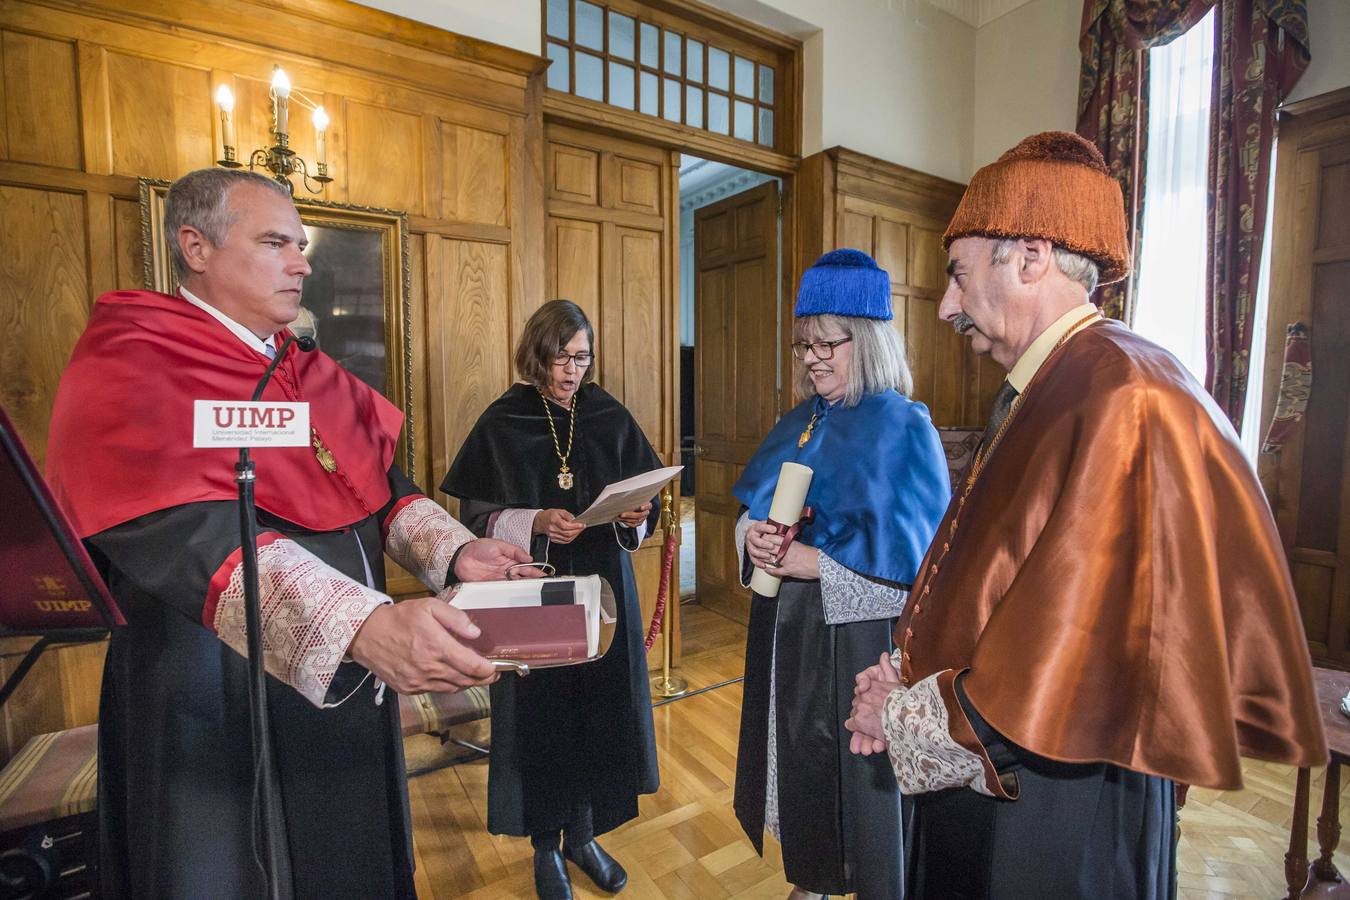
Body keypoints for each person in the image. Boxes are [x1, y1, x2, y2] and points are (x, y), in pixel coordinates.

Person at [843, 132, 1327, 899]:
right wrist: (910, 674)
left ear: (1030, 256)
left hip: (1060, 800)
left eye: (960, 276)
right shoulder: (1059, 382)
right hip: (1011, 762)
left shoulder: (1123, 396)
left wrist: (909, 713)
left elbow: (1067, 658)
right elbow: (1006, 584)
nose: (946, 307)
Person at [44, 168, 536, 898]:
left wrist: (455, 550)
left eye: (300, 245)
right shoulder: (131, 358)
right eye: (276, 242)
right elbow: (184, 533)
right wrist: (363, 625)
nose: (303, 262)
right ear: (196, 247)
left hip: (344, 687)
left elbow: (375, 488)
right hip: (211, 694)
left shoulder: (307, 371)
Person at [731, 249, 951, 900]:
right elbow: (748, 510)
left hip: (864, 647)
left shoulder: (904, 426)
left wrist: (816, 565)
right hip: (792, 640)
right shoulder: (800, 423)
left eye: (830, 342)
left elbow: (923, 573)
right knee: (804, 766)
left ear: (872, 339)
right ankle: (816, 876)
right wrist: (756, 539)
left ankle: (872, 880)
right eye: (804, 344)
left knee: (863, 781)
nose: (813, 358)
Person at [440, 299, 662, 900]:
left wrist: (636, 515)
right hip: (530, 592)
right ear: (536, 356)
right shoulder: (505, 418)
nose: (572, 372)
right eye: (561, 358)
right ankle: (545, 846)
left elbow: (645, 498)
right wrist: (536, 519)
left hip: (602, 590)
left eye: (581, 358)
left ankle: (584, 835)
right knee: (544, 720)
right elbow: (475, 519)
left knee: (598, 712)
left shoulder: (607, 412)